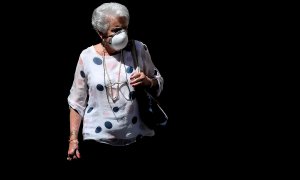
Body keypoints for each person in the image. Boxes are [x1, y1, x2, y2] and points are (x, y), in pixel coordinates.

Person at [66, 2, 164, 163]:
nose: (123, 34)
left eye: (125, 28)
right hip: (98, 142)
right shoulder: (87, 57)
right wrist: (73, 140)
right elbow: (77, 102)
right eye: (116, 30)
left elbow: (158, 80)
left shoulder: (138, 49)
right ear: (101, 33)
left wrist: (148, 81)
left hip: (137, 138)